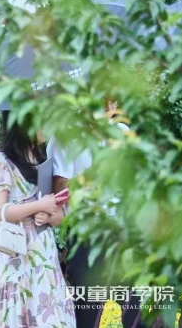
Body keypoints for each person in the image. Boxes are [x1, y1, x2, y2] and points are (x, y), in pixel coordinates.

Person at [48, 100, 147, 328]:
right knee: (87, 313)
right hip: (86, 235)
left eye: (112, 99)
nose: (107, 105)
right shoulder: (65, 136)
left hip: (123, 233)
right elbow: (59, 189)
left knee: (136, 311)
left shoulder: (122, 131)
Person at [0, 111, 76, 328]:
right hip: (14, 254)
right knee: (16, 311)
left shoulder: (41, 161)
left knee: (47, 314)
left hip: (42, 254)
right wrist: (38, 206)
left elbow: (55, 213)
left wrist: (49, 214)